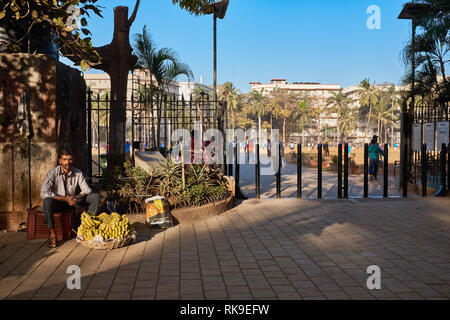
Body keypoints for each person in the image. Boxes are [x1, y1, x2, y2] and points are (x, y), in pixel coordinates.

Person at [40, 149, 100, 248]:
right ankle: (52, 234)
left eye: (70, 159)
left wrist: (76, 197)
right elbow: (43, 192)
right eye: (65, 159)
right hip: (59, 202)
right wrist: (64, 199)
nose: (67, 162)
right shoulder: (52, 173)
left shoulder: (78, 172)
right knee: (47, 201)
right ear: (60, 161)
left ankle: (87, 227)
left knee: (94, 197)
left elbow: (86, 190)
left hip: (73, 202)